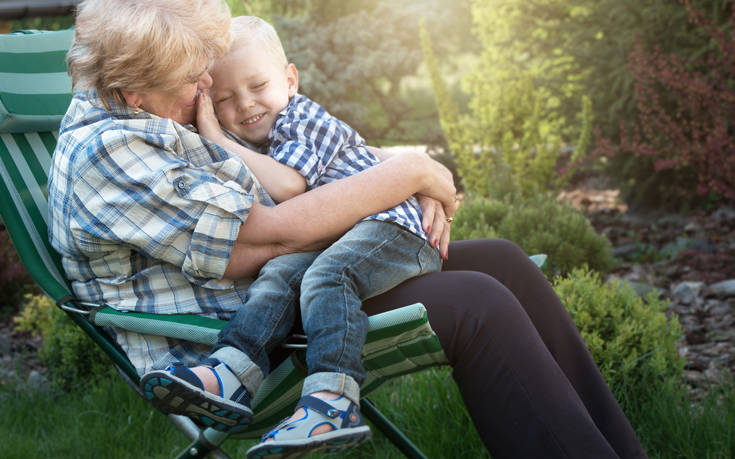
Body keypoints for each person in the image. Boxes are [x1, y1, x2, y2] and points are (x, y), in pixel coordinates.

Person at [47, 1, 647, 458]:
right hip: (232, 342)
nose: (205, 87)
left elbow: (304, 169)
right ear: (132, 88)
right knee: (476, 302)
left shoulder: (146, 111)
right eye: (192, 79)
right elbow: (274, 236)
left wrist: (403, 168)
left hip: (292, 286)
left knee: (503, 262)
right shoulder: (112, 152)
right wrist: (410, 172)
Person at [141, 15, 442, 456]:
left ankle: (331, 404)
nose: (245, 105)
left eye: (258, 86)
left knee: (326, 278)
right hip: (343, 236)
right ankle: (230, 372)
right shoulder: (256, 143)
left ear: (290, 80)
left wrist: (215, 135)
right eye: (225, 98)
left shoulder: (301, 116)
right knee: (279, 273)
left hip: (394, 228)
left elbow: (290, 187)